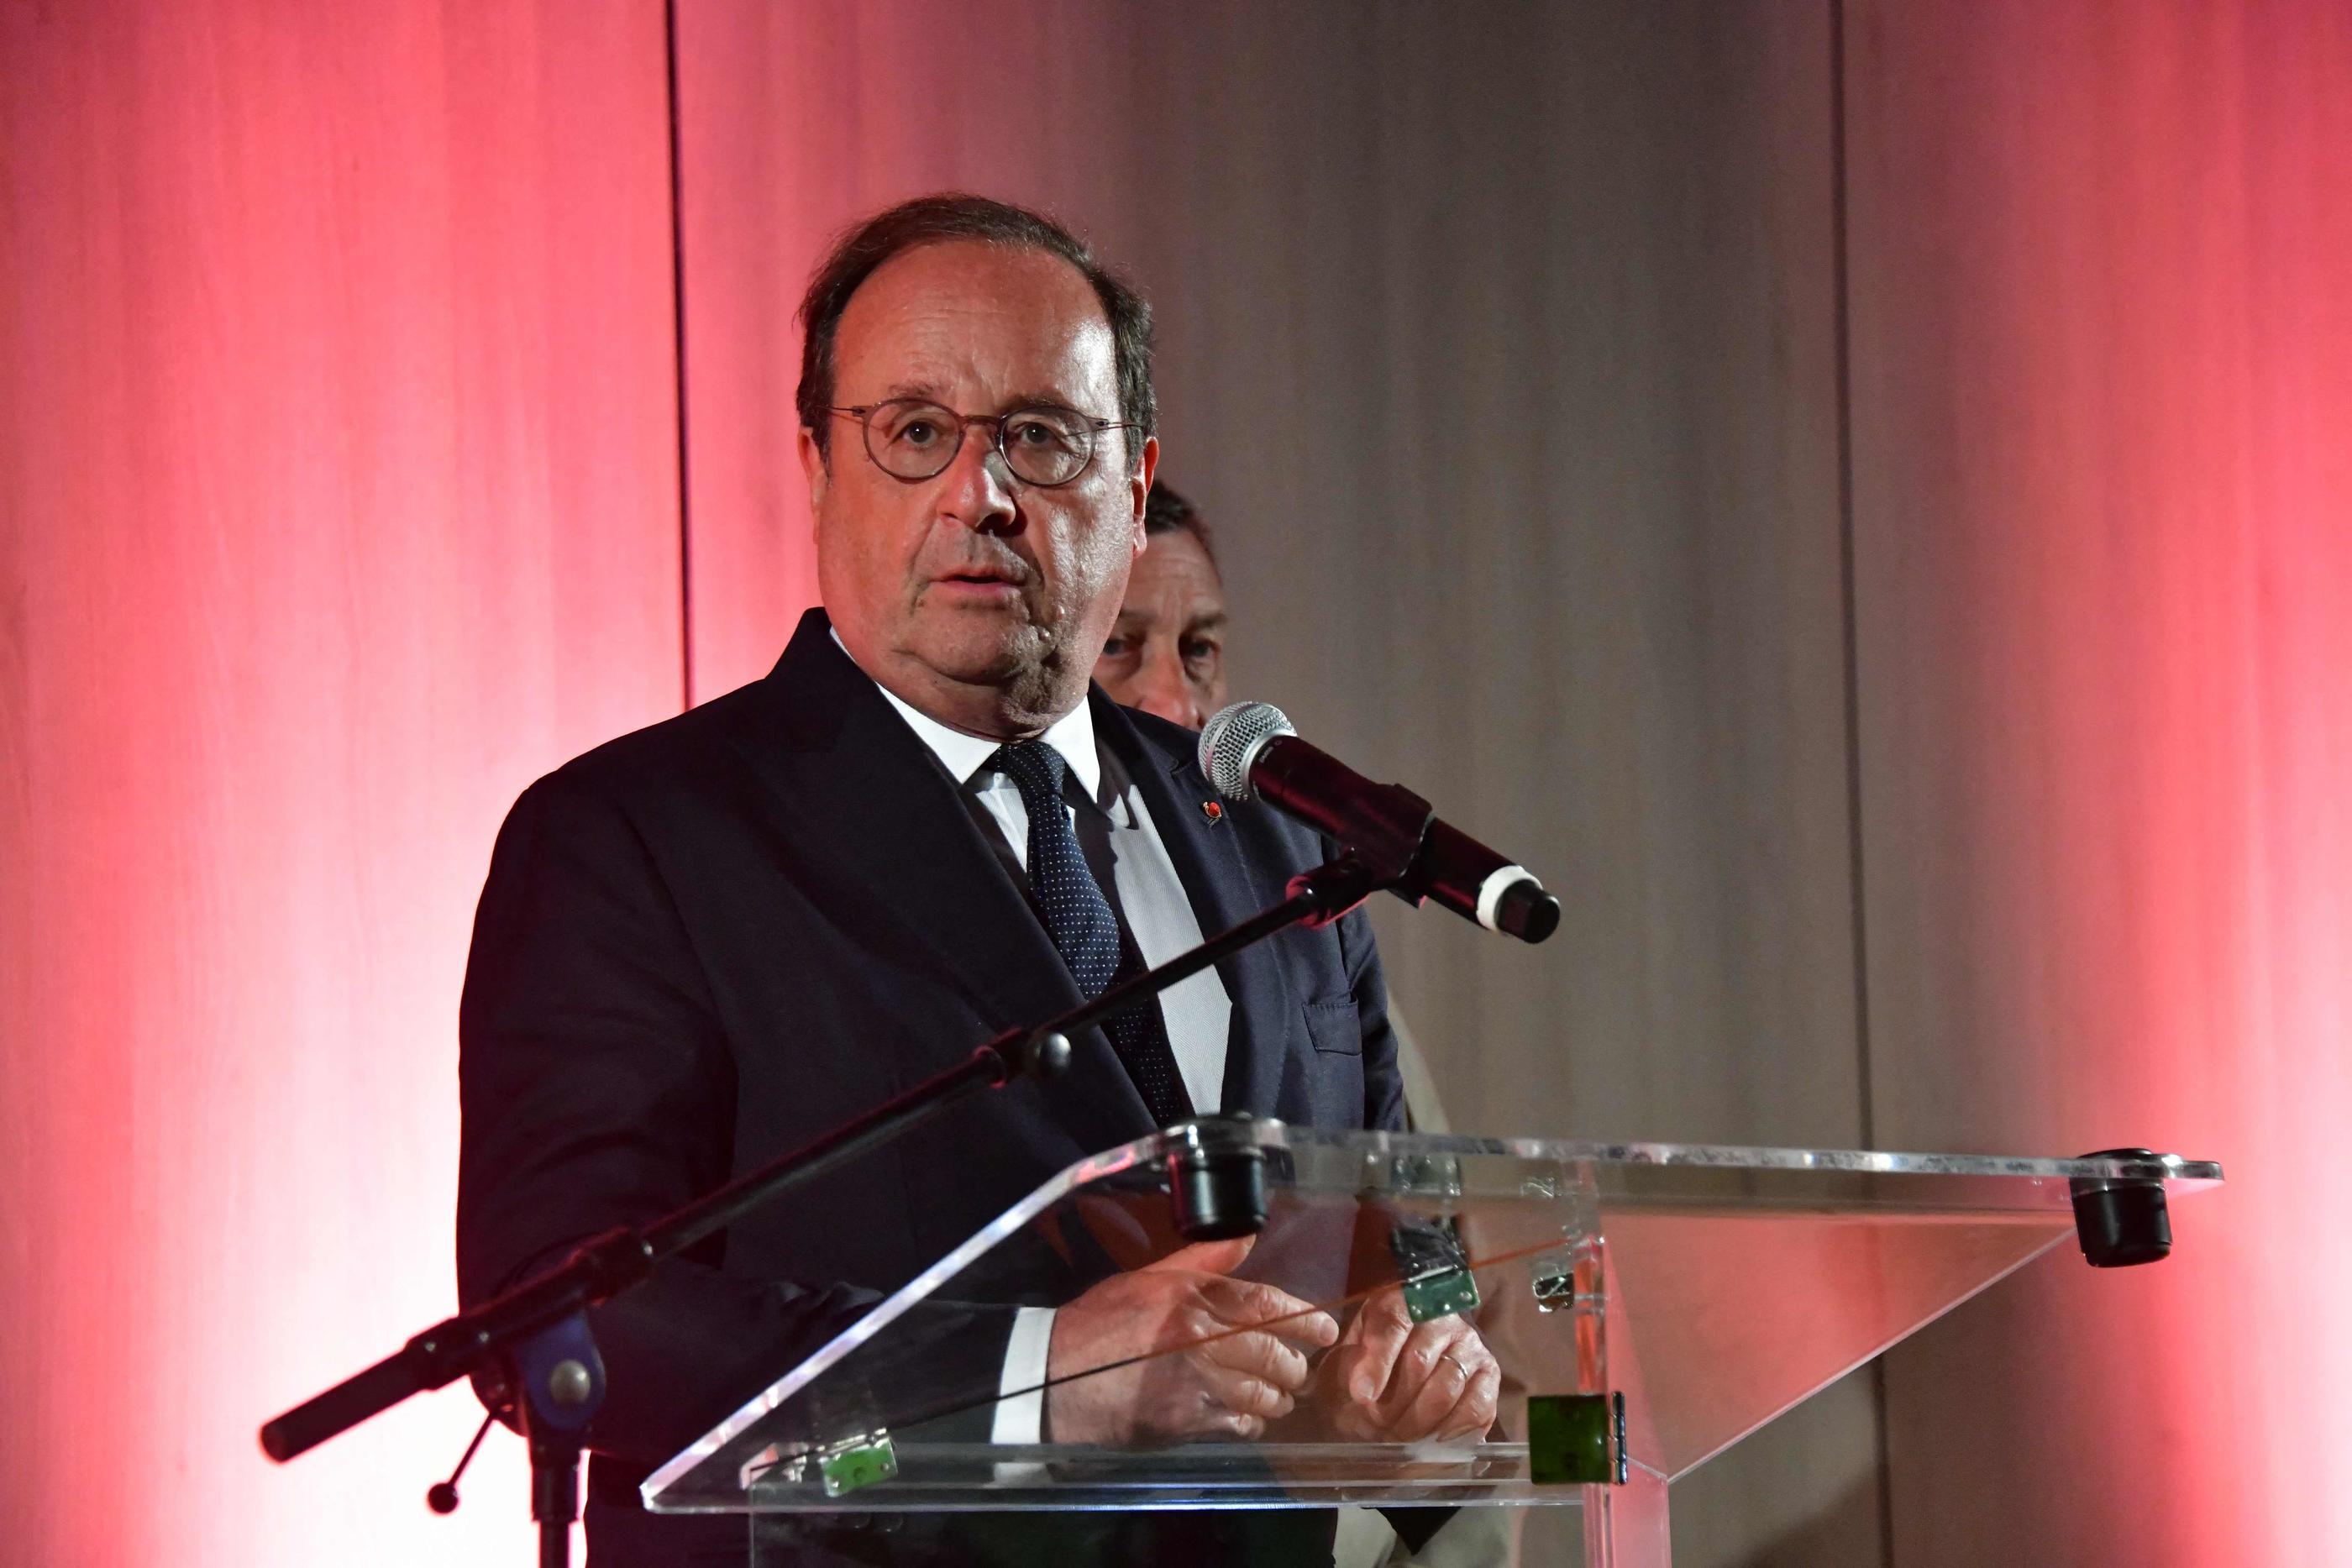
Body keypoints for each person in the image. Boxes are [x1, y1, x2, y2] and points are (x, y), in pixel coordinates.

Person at [456, 194, 1497, 1566]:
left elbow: (1412, 1246)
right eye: (916, 433)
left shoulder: (1277, 846)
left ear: (1131, 493)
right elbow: (562, 1326)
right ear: (822, 470)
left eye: (1042, 437)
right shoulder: (633, 840)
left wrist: (1417, 1384)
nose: (980, 493)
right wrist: (1040, 1377)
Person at [1094, 485, 1454, 1137]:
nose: (1176, 701)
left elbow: (1412, 1189)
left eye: (1197, 649)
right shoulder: (1033, 872)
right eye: (1118, 645)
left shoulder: (1302, 877)